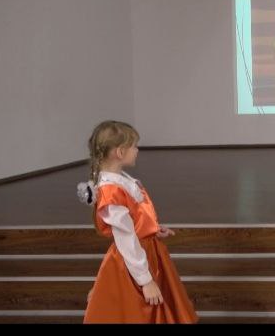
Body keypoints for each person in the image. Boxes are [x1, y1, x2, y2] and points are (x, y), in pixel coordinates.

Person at [77, 120, 197, 323]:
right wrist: (146, 280)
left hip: (146, 250)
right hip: (134, 261)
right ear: (120, 152)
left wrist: (152, 229)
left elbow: (135, 220)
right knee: (139, 312)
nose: (137, 150)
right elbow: (126, 238)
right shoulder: (110, 191)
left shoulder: (120, 181)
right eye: (134, 146)